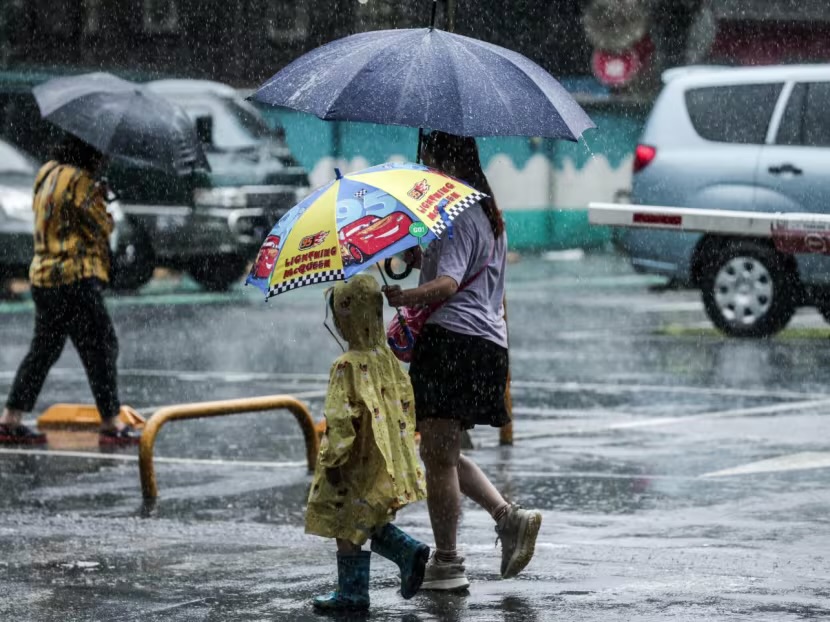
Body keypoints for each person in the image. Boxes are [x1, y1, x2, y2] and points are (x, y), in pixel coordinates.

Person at [383, 130, 542, 590]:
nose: (425, 166)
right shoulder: (487, 211)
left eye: (428, 157)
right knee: (442, 452)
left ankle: (448, 564)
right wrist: (414, 253)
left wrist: (404, 294)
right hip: (485, 344)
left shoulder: (455, 214)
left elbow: (449, 284)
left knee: (437, 455)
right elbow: (443, 263)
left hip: (453, 341)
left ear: (442, 158)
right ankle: (507, 518)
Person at [0, 134, 140, 447]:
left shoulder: (47, 172)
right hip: (75, 277)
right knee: (102, 347)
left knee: (44, 350)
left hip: (44, 276)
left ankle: (11, 418)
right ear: (91, 152)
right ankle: (111, 421)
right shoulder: (81, 182)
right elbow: (101, 228)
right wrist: (103, 200)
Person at [306, 274, 429, 612]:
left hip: (353, 458)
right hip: (381, 454)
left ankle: (354, 592)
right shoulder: (386, 358)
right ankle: (405, 550)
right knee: (367, 513)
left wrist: (333, 460)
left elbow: (341, 418)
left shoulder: (346, 365)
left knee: (345, 518)